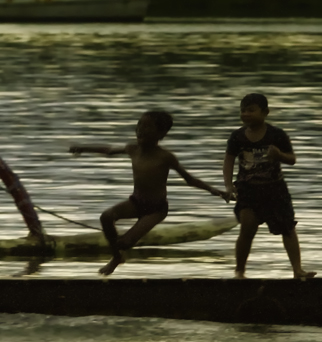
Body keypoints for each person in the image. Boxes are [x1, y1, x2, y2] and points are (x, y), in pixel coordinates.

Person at [70, 110, 231, 275]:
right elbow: (109, 150)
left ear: (161, 134)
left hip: (156, 209)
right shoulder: (132, 149)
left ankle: (120, 248)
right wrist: (83, 148)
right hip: (135, 203)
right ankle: (116, 257)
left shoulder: (165, 157)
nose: (141, 130)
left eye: (147, 127)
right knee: (106, 216)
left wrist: (215, 191)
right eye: (139, 125)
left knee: (125, 242)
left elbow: (189, 179)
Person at [224, 93, 315, 280]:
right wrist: (228, 185)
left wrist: (280, 155)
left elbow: (292, 159)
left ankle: (297, 270)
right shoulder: (237, 137)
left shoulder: (276, 135)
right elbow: (228, 161)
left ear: (265, 112)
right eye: (243, 111)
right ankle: (239, 271)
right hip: (248, 190)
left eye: (251, 110)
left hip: (275, 190)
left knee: (288, 228)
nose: (246, 114)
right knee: (247, 227)